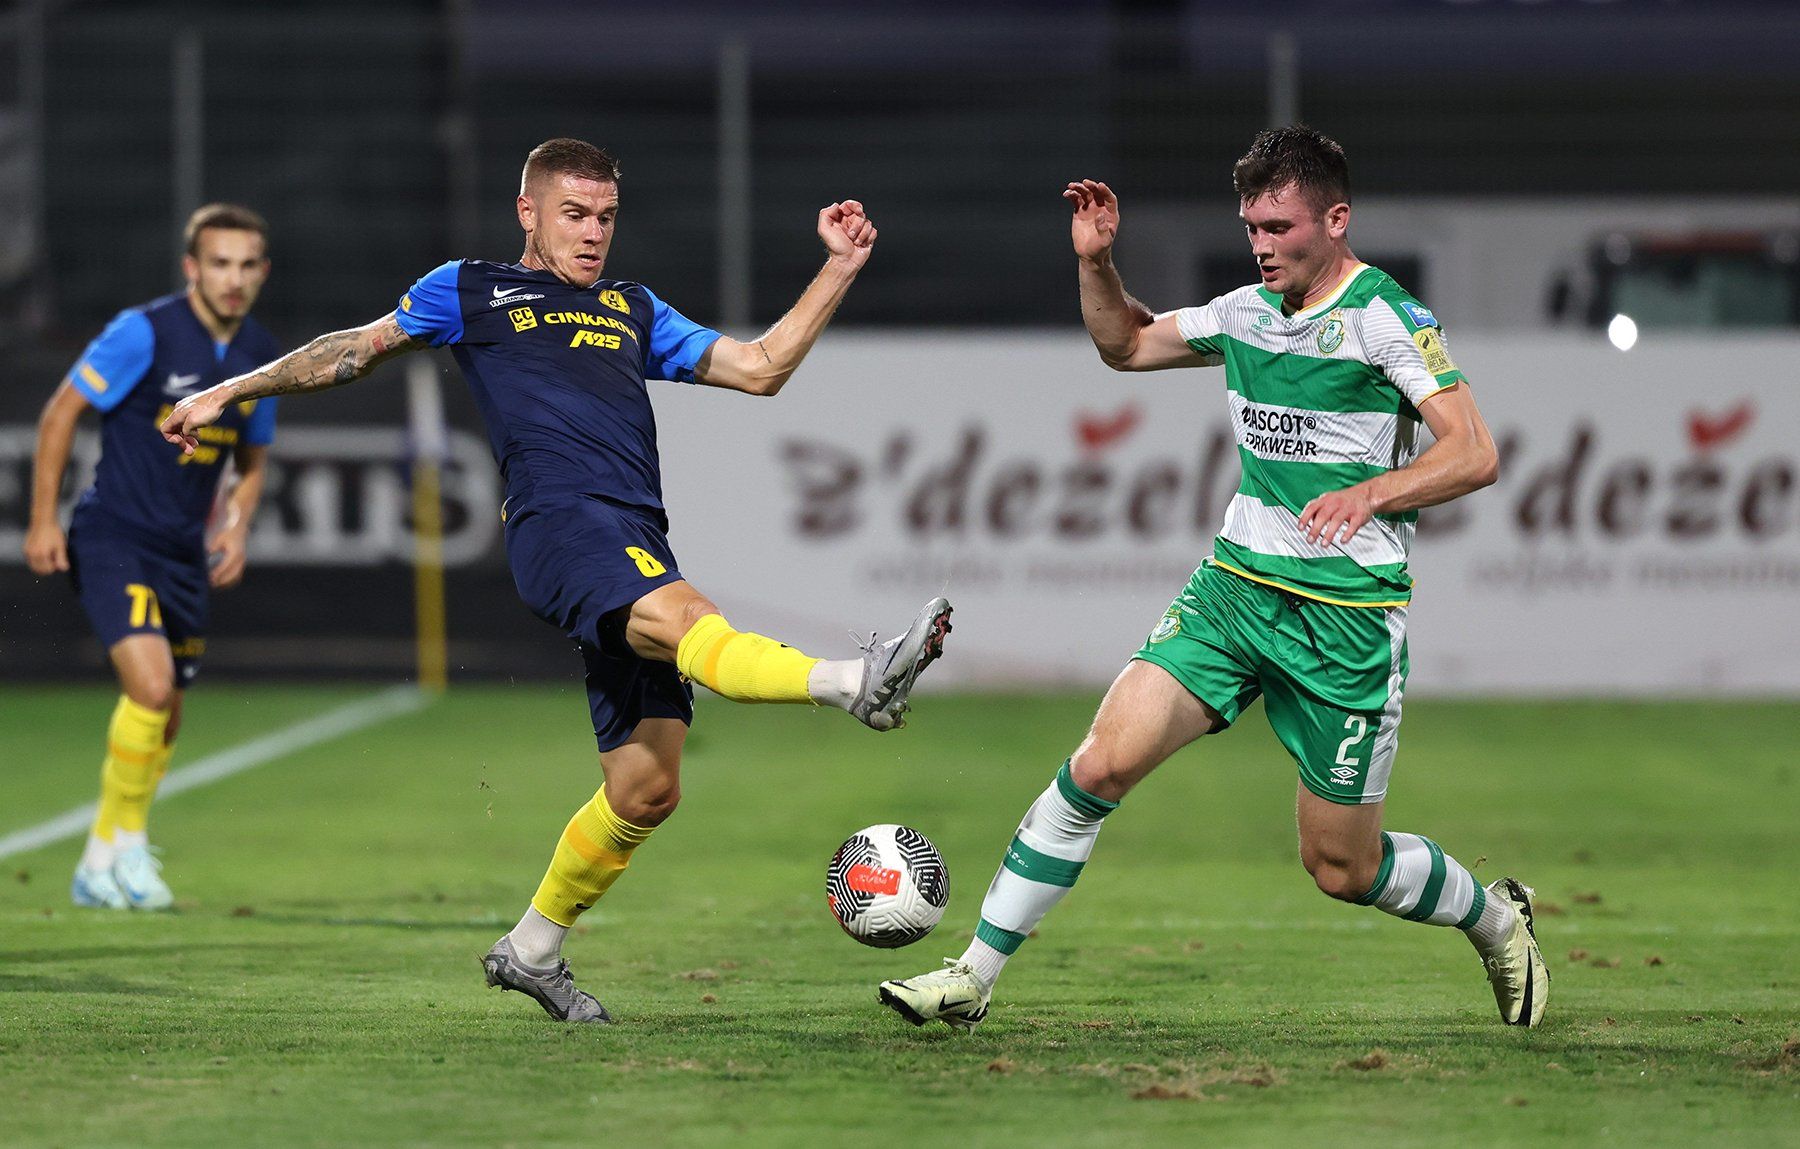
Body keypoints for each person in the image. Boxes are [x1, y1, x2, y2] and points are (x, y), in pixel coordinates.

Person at [160, 138, 952, 1023]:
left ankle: (532, 948)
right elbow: (352, 350)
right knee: (691, 619)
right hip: (560, 523)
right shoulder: (471, 288)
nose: (593, 233)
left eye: (606, 216)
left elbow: (760, 368)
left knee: (647, 786)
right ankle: (853, 681)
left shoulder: (631, 307)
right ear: (528, 212)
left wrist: (839, 268)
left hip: (636, 535)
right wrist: (228, 392)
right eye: (574, 214)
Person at [879, 125, 1548, 1030]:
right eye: (1252, 229)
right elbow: (1125, 345)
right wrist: (1096, 263)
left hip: (1346, 622)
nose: (1262, 246)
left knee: (1341, 867)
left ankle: (1496, 919)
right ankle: (972, 975)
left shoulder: (1390, 318)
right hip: (1233, 593)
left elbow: (1474, 452)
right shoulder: (1244, 313)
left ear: (1336, 220)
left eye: (1280, 227)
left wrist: (1373, 491)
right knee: (1099, 764)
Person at [25, 204, 281, 911]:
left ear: (263, 272)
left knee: (166, 713)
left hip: (183, 553)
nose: (233, 279)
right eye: (219, 263)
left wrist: (237, 526)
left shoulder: (261, 352)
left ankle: (101, 857)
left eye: (246, 265)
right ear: (192, 268)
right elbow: (60, 412)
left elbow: (253, 458)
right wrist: (43, 519)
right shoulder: (144, 331)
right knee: (151, 686)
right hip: (116, 534)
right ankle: (130, 842)